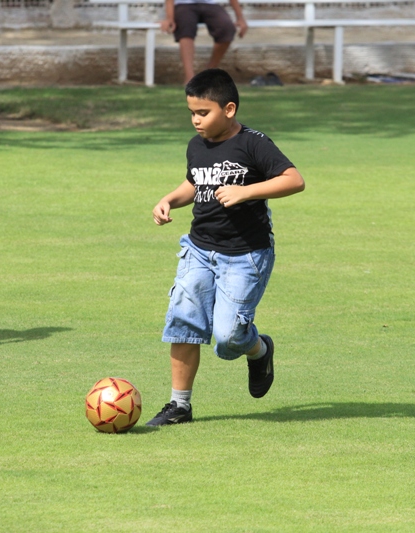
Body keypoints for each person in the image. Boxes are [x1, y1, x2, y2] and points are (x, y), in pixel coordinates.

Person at [148, 68, 305, 426]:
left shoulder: (253, 143)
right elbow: (195, 183)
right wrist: (170, 199)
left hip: (245, 255)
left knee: (228, 340)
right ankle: (179, 405)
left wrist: (246, 191)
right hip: (199, 249)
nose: (196, 120)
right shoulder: (196, 146)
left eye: (203, 113)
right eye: (191, 113)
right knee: (183, 320)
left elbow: (294, 180)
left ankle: (260, 349)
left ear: (229, 109)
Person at [160, 0, 248, 84]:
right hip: (183, 4)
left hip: (209, 4)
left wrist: (240, 18)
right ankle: (189, 79)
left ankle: (208, 73)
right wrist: (169, 18)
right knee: (186, 30)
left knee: (227, 28)